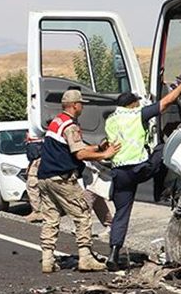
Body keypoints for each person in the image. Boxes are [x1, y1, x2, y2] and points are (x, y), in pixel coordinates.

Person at [104, 79, 181, 268]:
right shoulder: (136, 114)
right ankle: (161, 190)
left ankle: (113, 254)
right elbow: (166, 102)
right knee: (163, 149)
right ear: (131, 104)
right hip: (139, 168)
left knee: (121, 213)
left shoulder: (110, 119)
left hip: (119, 172)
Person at [36, 89, 119, 273]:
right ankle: (85, 257)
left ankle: (47, 259)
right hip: (62, 178)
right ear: (75, 105)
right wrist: (104, 154)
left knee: (51, 218)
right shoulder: (71, 126)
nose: (82, 106)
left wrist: (97, 146)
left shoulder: (57, 122)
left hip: (44, 178)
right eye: (81, 103)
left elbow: (71, 147)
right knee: (82, 214)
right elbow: (79, 153)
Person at [24, 131, 44, 223]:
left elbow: (34, 153)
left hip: (38, 160)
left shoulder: (35, 132)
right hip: (40, 160)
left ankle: (38, 212)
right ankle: (39, 211)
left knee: (32, 185)